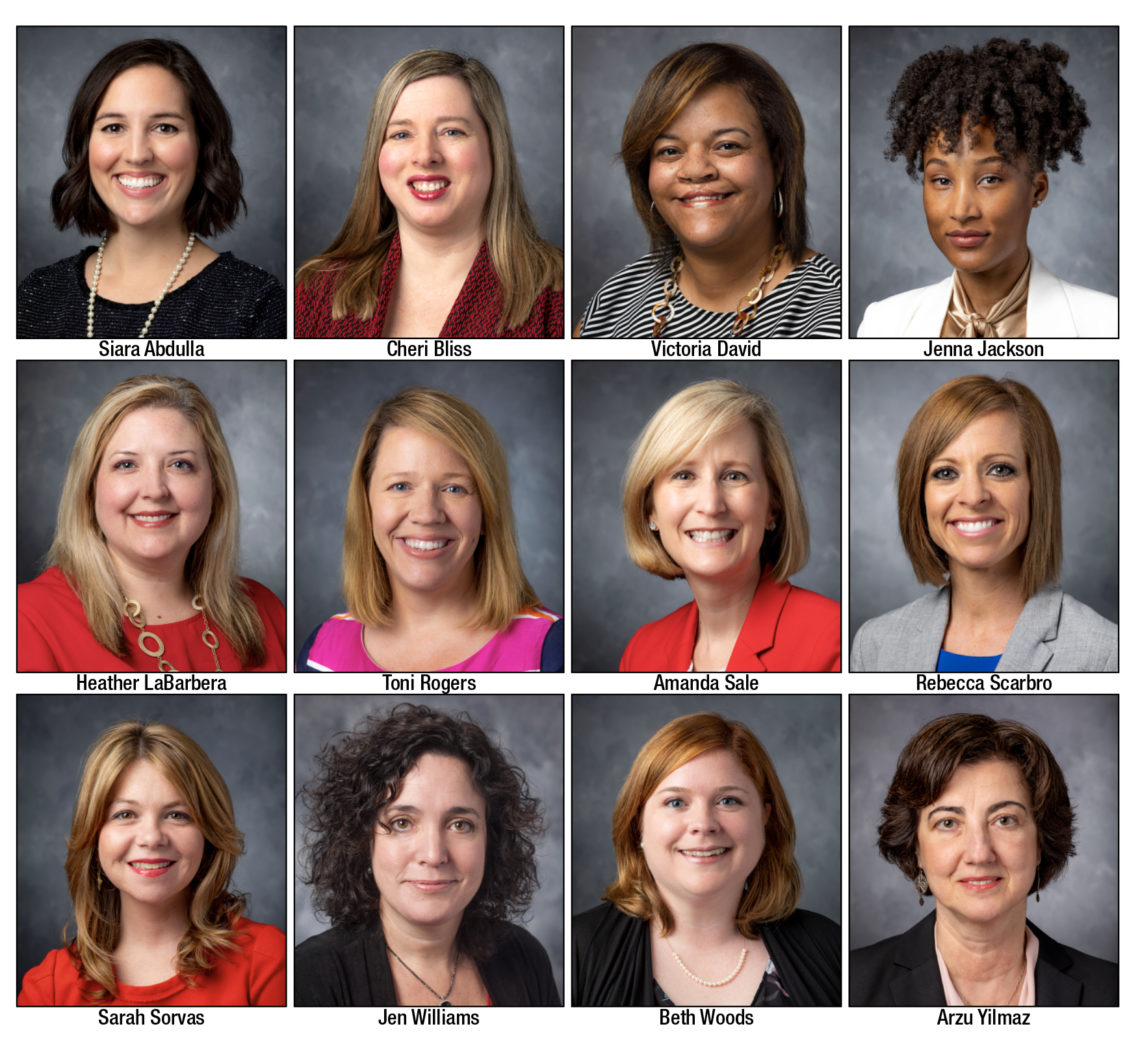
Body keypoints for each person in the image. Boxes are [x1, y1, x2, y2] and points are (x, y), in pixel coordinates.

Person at [17, 38, 285, 339]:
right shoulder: (35, 297)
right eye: (114, 127)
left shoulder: (258, 304)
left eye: (165, 127)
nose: (137, 155)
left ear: (203, 146)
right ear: (85, 147)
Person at [17, 374, 287, 671]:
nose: (155, 491)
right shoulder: (25, 619)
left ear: (215, 487)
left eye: (180, 464)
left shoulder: (266, 611)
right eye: (126, 464)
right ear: (90, 488)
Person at [296, 704, 559, 1005]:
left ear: (492, 839)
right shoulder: (310, 976)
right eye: (402, 823)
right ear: (362, 839)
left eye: (460, 825)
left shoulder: (524, 957)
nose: (434, 855)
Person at [852, 375, 1116, 671]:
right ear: (918, 494)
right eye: (946, 473)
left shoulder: (1106, 655)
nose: (974, 496)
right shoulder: (873, 647)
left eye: (1000, 469)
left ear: (1036, 487)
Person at [576, 42, 840, 338]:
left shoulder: (830, 314)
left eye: (727, 146)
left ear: (777, 162)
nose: (696, 170)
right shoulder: (612, 302)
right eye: (670, 150)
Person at [573, 712, 839, 1006]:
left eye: (728, 801)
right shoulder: (579, 949)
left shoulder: (828, 946)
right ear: (638, 823)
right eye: (676, 802)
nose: (703, 824)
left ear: (765, 817)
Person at [851, 713, 1117, 1005]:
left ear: (1040, 842)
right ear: (916, 848)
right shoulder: (849, 986)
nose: (979, 854)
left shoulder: (1114, 992)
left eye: (1004, 820)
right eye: (948, 823)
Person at [857, 38, 1116, 337]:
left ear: (1037, 189)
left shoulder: (1109, 323)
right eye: (942, 180)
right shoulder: (883, 324)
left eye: (990, 179)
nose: (962, 211)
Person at [295, 49, 562, 338]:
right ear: (377, 154)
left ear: (494, 148)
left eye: (451, 132)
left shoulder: (557, 296)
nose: (425, 156)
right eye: (401, 134)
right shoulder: (316, 292)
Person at [18, 721, 285, 1005]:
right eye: (125, 814)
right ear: (93, 838)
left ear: (208, 835)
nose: (151, 838)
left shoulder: (268, 962)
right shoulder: (48, 989)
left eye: (176, 815)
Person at [297, 387, 562, 672]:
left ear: (487, 511)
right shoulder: (320, 654)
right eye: (400, 486)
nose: (426, 515)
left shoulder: (550, 650)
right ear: (366, 505)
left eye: (454, 488)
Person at [619, 379, 838, 671]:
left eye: (734, 476)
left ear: (772, 507)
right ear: (650, 511)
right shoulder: (641, 652)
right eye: (684, 476)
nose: (711, 505)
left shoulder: (831, 638)